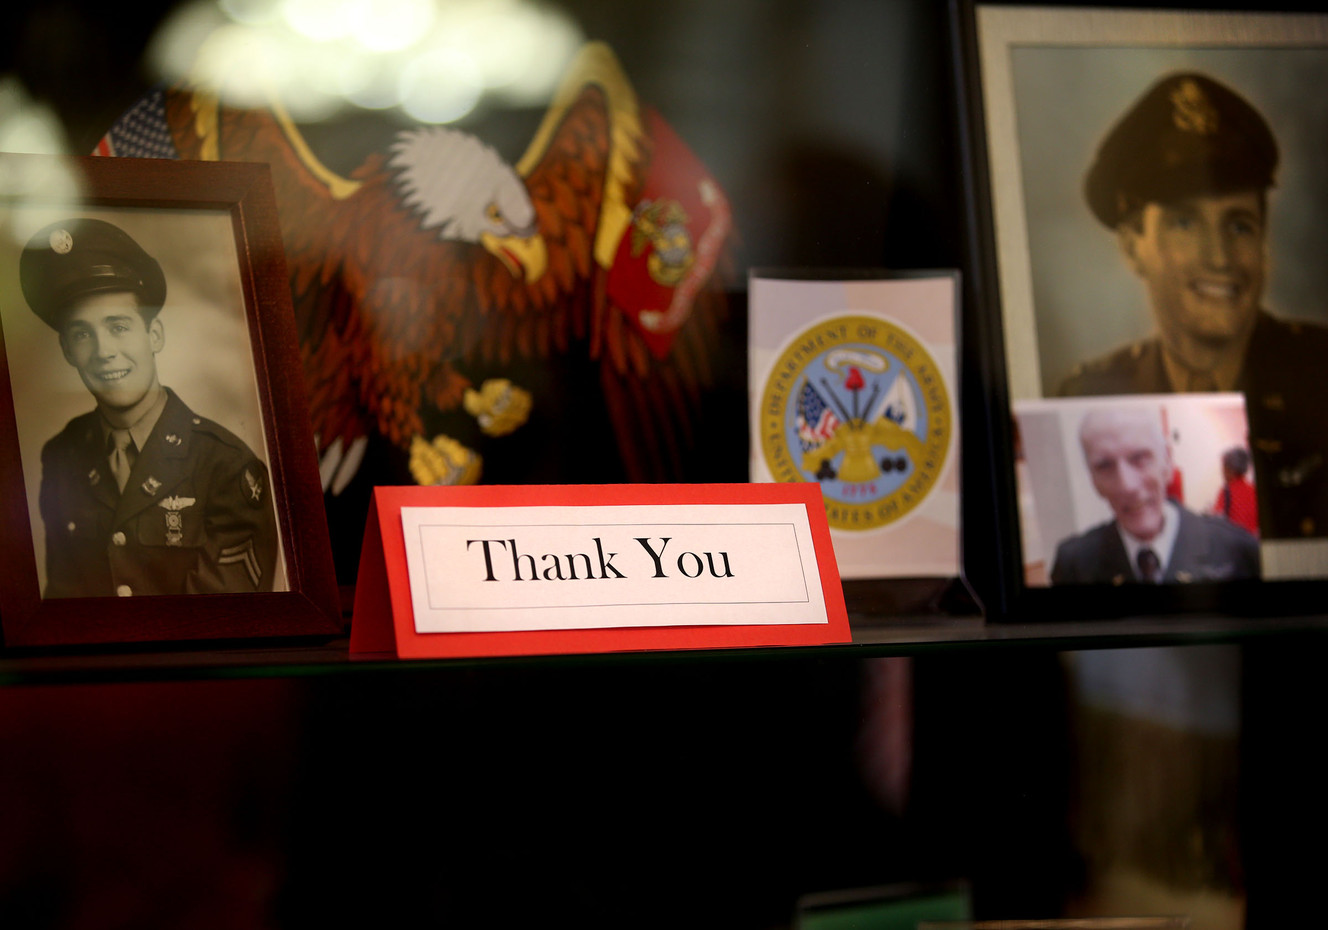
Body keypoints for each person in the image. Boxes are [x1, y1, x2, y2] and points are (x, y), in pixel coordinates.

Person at [1058, 71, 1328, 539]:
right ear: (1131, 246)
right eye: (1185, 223)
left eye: (1240, 226)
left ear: (1264, 244)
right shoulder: (1088, 399)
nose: (1220, 257)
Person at [20, 217, 279, 598]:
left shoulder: (225, 465)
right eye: (82, 334)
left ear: (154, 335)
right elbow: (64, 604)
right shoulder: (63, 456)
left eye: (119, 327)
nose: (104, 351)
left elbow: (226, 621)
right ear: (67, 351)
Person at [1050, 407, 1259, 585]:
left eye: (1139, 458)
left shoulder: (1238, 551)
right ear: (1093, 481)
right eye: (1105, 466)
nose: (1127, 485)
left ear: (1167, 463)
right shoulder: (1073, 563)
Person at [1212, 446, 1259, 538]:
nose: (1222, 471)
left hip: (1234, 544)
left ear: (1231, 470)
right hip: (1252, 544)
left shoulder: (1226, 492)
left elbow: (1216, 522)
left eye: (1224, 467)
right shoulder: (1254, 491)